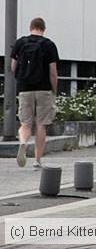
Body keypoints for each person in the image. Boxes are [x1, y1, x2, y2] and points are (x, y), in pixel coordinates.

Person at [11, 17, 60, 169]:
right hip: (44, 89)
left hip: (25, 89)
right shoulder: (49, 45)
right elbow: (53, 72)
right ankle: (37, 160)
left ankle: (23, 142)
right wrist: (54, 90)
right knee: (41, 125)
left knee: (25, 124)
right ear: (43, 29)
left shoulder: (20, 43)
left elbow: (13, 67)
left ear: (30, 27)